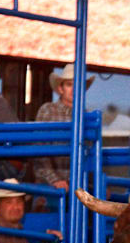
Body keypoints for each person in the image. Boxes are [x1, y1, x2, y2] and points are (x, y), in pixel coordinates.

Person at [34, 63, 95, 192]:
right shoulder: (48, 110)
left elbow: (92, 155)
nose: (74, 89)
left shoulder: (88, 116)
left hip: (80, 185)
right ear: (61, 89)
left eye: (78, 85)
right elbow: (39, 149)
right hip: (50, 186)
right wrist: (54, 180)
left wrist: (96, 182)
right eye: (69, 84)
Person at [0, 178, 63, 243]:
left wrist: (48, 238)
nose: (15, 207)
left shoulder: (22, 235)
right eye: (9, 202)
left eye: (19, 202)